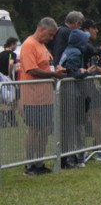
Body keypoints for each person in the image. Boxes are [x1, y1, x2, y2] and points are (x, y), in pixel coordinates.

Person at [19, 17, 67, 175]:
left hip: (46, 96)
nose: (51, 38)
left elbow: (47, 66)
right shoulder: (29, 45)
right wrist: (54, 74)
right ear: (41, 30)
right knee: (35, 129)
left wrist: (56, 70)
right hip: (33, 96)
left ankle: (39, 162)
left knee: (45, 129)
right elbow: (32, 70)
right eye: (50, 34)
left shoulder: (42, 46)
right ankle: (30, 163)